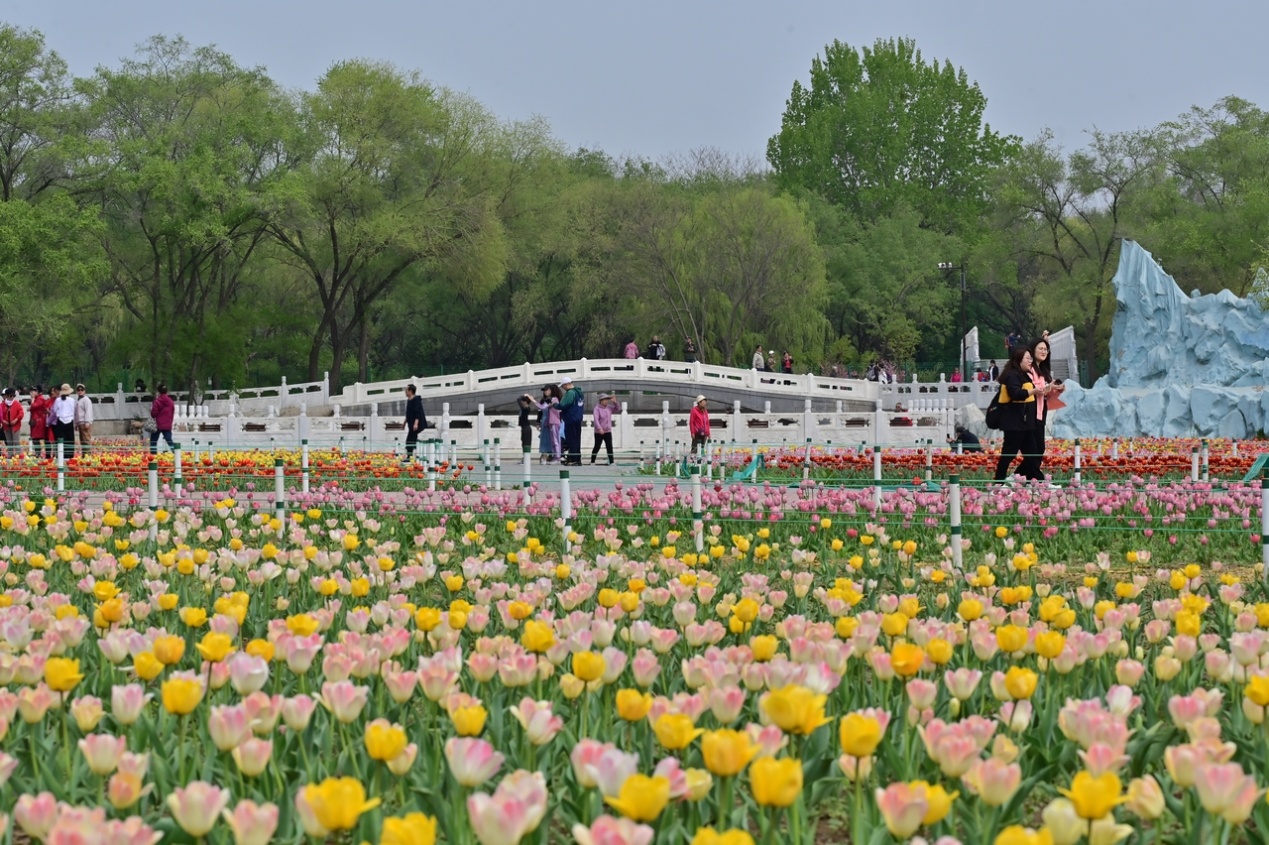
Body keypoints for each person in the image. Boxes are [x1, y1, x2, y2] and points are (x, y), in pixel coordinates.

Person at [992, 347, 1047, 483]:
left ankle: (1038, 481)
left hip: (1025, 424)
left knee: (1032, 454)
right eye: (1027, 358)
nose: (1030, 361)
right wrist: (1033, 391)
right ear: (1018, 360)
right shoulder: (1012, 375)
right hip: (1014, 424)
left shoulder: (1023, 375)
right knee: (1008, 454)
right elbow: (1015, 393)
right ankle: (999, 482)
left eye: (1031, 358)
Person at [1028, 336, 1065, 481]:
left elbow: (1045, 392)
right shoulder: (1029, 369)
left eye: (1046, 349)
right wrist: (1046, 388)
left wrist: (1057, 389)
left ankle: (1021, 479)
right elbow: (1032, 389)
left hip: (1040, 411)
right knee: (1034, 450)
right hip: (1030, 412)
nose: (1044, 351)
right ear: (1032, 350)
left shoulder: (1042, 370)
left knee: (1039, 449)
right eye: (1041, 349)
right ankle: (1039, 481)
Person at [557, 377, 585, 465]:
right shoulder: (579, 392)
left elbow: (563, 405)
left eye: (563, 386)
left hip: (570, 419)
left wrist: (554, 405)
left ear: (566, 385)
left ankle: (573, 459)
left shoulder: (570, 393)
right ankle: (577, 458)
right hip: (578, 418)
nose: (563, 388)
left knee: (571, 440)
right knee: (577, 440)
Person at [537, 385, 561, 463]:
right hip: (544, 420)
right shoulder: (543, 400)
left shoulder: (554, 400)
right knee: (544, 438)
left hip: (552, 420)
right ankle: (544, 455)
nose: (546, 392)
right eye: (544, 390)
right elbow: (539, 412)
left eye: (547, 390)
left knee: (553, 439)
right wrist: (538, 422)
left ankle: (554, 455)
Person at [149, 383, 175, 454]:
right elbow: (172, 412)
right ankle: (176, 453)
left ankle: (153, 457)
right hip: (167, 424)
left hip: (157, 424)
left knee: (153, 441)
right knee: (169, 440)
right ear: (167, 391)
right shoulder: (170, 402)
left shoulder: (157, 402)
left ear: (159, 392)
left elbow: (153, 414)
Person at [403, 384, 426, 462]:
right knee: (411, 439)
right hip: (410, 424)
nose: (405, 392)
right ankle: (411, 456)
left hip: (415, 424)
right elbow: (408, 414)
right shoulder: (409, 400)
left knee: (410, 440)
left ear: (410, 391)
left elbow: (418, 413)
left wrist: (416, 423)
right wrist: (404, 423)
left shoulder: (416, 400)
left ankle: (410, 457)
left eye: (406, 390)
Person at [51, 384, 75, 456]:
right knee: (70, 439)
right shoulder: (72, 400)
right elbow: (74, 411)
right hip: (70, 421)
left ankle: (61, 455)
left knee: (61, 439)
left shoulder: (58, 400)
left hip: (61, 421)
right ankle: (70, 455)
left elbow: (54, 410)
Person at [590, 393, 614, 465]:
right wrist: (600, 428)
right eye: (605, 399)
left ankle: (612, 462)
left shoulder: (609, 407)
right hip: (599, 432)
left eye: (607, 399)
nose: (606, 401)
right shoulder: (596, 409)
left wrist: (615, 402)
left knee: (609, 446)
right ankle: (592, 461)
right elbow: (596, 420)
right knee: (597, 446)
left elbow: (617, 408)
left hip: (608, 431)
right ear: (601, 400)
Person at [29, 384, 50, 459]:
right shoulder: (38, 398)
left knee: (36, 437)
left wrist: (32, 398)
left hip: (39, 421)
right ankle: (38, 452)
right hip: (36, 420)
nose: (31, 393)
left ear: (37, 391)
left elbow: (33, 406)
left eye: (33, 391)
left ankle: (39, 453)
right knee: (35, 438)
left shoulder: (40, 399)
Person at [0, 388, 23, 452]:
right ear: (6, 396)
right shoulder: (2, 405)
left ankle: (19, 456)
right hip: (6, 427)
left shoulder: (17, 403)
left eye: (13, 396)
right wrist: (3, 421)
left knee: (16, 442)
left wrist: (16, 419)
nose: (12, 397)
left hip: (15, 426)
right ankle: (10, 455)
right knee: (9, 443)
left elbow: (21, 413)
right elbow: (0, 415)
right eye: (10, 396)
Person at [73, 384, 93, 456]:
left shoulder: (86, 400)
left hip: (85, 422)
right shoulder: (78, 400)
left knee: (86, 440)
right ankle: (84, 454)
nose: (80, 391)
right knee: (82, 440)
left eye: (82, 390)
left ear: (84, 391)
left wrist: (87, 422)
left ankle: (88, 455)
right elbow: (76, 413)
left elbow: (88, 411)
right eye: (78, 390)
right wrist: (75, 424)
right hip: (80, 423)